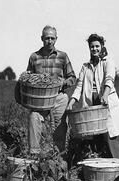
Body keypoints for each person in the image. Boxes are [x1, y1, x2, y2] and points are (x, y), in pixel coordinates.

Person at [67, 33, 119, 159]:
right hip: (91, 102)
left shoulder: (108, 62)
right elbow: (79, 86)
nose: (94, 49)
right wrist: (71, 101)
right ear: (89, 48)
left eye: (97, 46)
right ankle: (99, 166)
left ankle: (117, 165)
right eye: (92, 47)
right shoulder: (85, 67)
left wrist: (105, 95)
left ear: (102, 46)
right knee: (94, 135)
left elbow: (109, 79)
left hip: (105, 101)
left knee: (110, 136)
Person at [18, 25, 77, 156]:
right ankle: (34, 154)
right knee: (34, 117)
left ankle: (59, 157)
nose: (49, 41)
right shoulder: (34, 57)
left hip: (59, 97)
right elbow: (28, 77)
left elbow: (72, 77)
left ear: (56, 39)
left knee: (60, 127)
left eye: (52, 38)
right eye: (46, 38)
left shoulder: (62, 56)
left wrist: (64, 83)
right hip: (39, 99)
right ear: (41, 39)